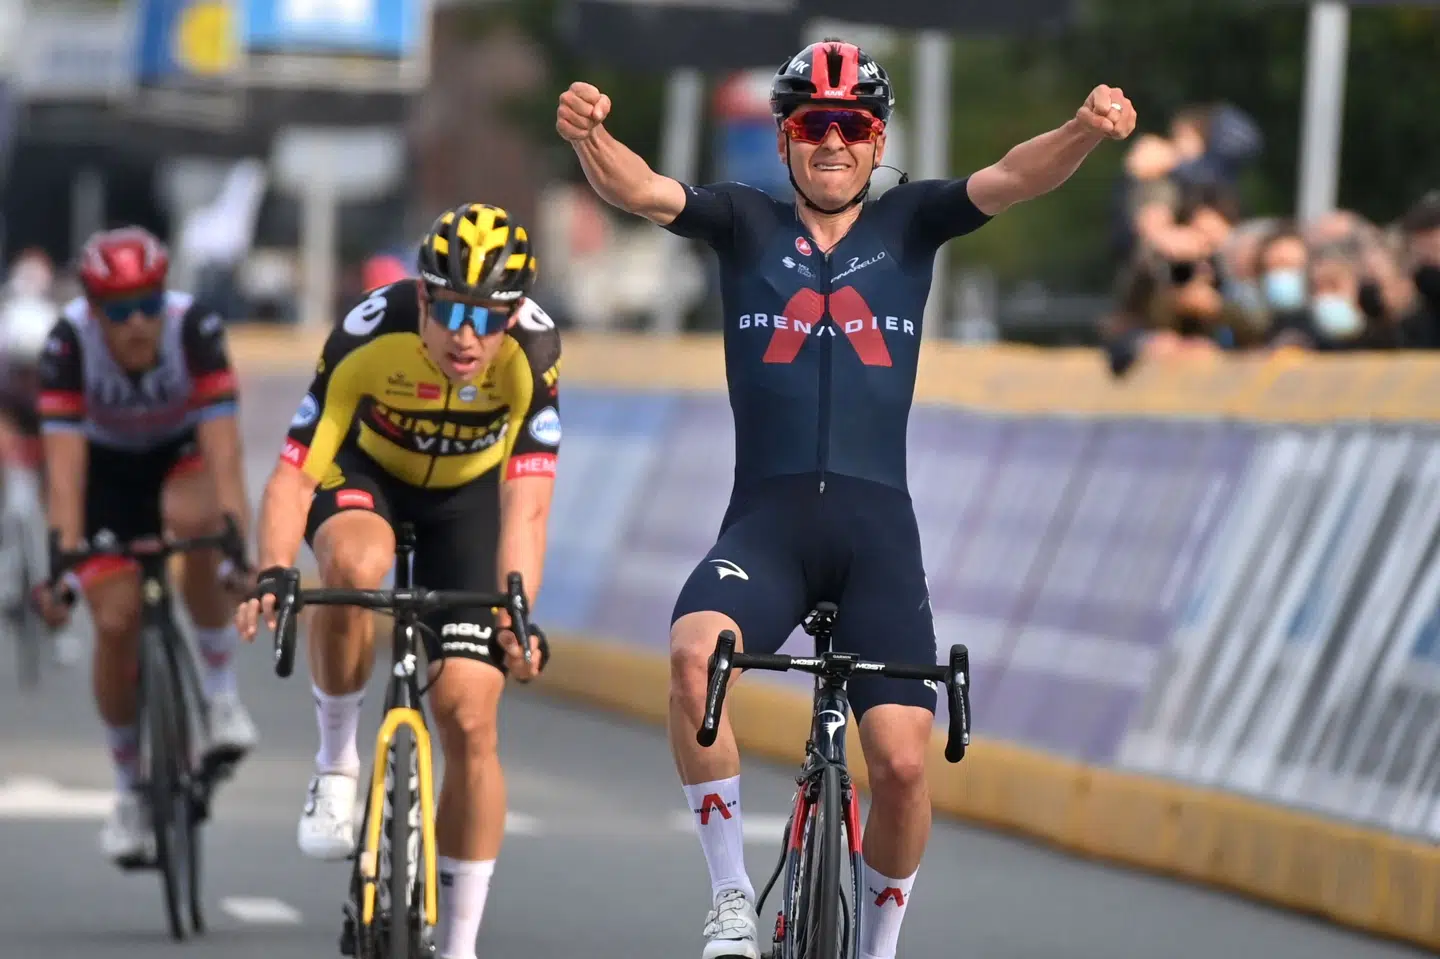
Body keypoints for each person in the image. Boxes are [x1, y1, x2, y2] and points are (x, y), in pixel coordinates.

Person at [557, 37, 1135, 959]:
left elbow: (1015, 178)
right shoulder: (743, 220)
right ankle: (730, 895)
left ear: (877, 139)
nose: (834, 143)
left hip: (877, 537)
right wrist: (589, 137)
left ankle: (877, 947)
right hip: (769, 525)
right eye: (813, 125)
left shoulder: (911, 221)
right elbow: (641, 190)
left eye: (853, 126)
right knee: (692, 657)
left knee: (904, 765)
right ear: (785, 139)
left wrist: (1080, 129)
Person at [234, 203, 557, 959]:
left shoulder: (535, 352)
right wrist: (275, 571)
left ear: (514, 314)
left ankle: (461, 941)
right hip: (367, 473)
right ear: (422, 296)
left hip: (467, 501)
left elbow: (529, 503)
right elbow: (291, 476)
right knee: (351, 566)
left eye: (489, 316)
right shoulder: (367, 333)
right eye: (448, 311)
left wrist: (517, 609)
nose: (467, 335)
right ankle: (337, 763)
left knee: (470, 714)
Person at [33, 226, 258, 866]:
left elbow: (225, 456)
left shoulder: (196, 331)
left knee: (198, 517)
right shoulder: (68, 344)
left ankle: (219, 700)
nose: (137, 325)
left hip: (179, 458)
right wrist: (61, 569)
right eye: (120, 310)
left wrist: (240, 549)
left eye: (148, 304)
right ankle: (130, 789)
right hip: (104, 473)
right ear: (94, 310)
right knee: (114, 617)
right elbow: (66, 472)